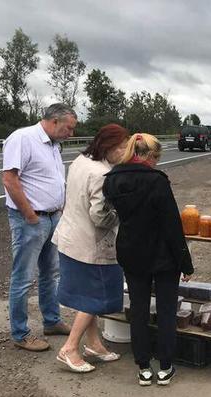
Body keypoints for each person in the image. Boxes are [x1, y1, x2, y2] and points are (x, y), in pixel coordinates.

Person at [103, 133, 194, 386]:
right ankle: (165, 366)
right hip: (163, 255)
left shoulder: (112, 179)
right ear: (149, 155)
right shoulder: (157, 181)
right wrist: (185, 262)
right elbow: (172, 225)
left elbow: (113, 212)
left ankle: (143, 367)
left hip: (131, 252)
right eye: (156, 157)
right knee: (166, 311)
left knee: (138, 310)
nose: (157, 163)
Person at [52, 124, 130, 372]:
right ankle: (70, 348)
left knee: (86, 294)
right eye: (121, 148)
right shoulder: (101, 173)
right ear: (108, 147)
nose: (124, 153)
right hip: (90, 245)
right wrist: (124, 214)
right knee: (96, 297)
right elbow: (100, 216)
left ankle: (94, 344)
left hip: (69, 237)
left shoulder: (80, 161)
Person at [2, 103, 77, 352]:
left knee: (51, 273)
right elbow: (10, 179)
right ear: (54, 122)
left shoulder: (54, 145)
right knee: (23, 277)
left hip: (53, 217)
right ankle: (20, 333)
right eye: (69, 128)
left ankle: (52, 321)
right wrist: (30, 215)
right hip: (30, 220)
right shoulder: (23, 138)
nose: (71, 134)